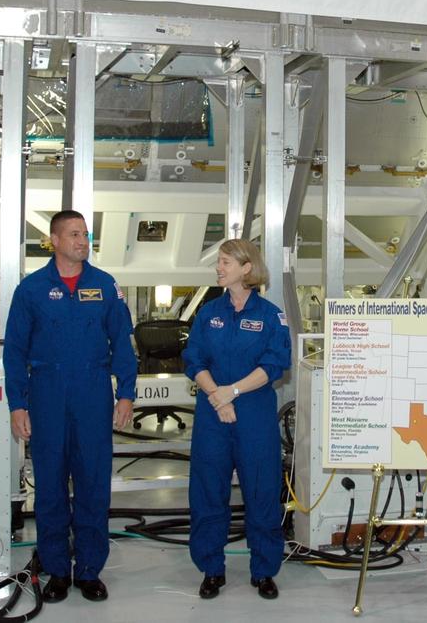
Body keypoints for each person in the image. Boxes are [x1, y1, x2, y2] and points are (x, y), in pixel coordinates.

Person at [4, 209, 137, 603]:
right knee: (50, 487)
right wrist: (18, 403)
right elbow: (14, 352)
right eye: (75, 234)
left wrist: (126, 393)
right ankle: (58, 570)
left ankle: (90, 571)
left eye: (86, 234)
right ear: (55, 240)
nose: (83, 241)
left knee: (94, 484)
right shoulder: (31, 290)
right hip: (46, 394)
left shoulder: (105, 286)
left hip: (93, 393)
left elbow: (122, 345)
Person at [183, 238, 292, 601]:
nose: (218, 267)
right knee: (208, 493)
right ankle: (212, 569)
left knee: (261, 492)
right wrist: (217, 395)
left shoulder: (270, 315)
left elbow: (274, 365)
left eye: (225, 262)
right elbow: (194, 360)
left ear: (246, 268)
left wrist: (233, 392)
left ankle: (263, 570)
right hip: (214, 415)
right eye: (219, 261)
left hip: (254, 415)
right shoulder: (207, 313)